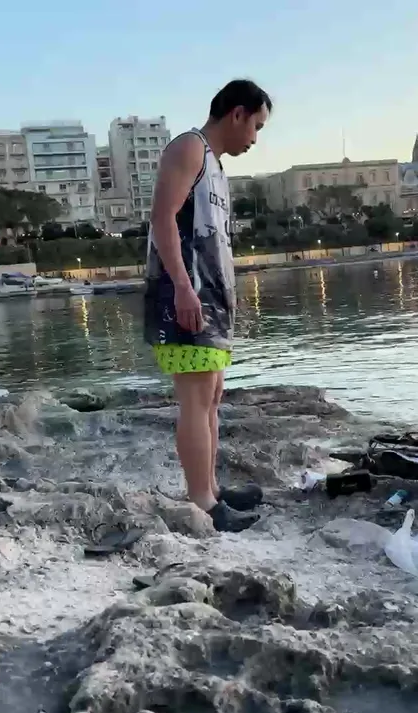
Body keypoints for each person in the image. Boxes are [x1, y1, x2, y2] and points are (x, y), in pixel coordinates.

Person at [143, 79, 273, 532]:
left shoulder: (214, 164)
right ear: (237, 114)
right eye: (256, 126)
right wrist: (182, 287)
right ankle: (201, 501)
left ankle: (211, 489)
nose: (255, 138)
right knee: (196, 400)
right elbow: (162, 219)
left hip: (211, 299)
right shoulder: (189, 148)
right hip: (186, 296)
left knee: (212, 397)